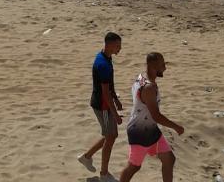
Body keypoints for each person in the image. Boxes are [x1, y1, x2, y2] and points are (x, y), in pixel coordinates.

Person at [117, 52, 184, 182]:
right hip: (139, 132)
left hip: (151, 130)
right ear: (154, 65)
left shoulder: (141, 77)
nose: (165, 67)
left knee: (169, 159)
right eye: (162, 64)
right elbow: (156, 116)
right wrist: (176, 127)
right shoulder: (148, 87)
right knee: (134, 166)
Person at [79, 32, 123, 178]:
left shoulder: (106, 57)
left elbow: (109, 83)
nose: (120, 48)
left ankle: (86, 157)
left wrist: (116, 98)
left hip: (105, 103)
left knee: (110, 135)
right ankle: (104, 173)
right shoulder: (102, 64)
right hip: (102, 106)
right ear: (109, 44)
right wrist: (115, 114)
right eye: (117, 46)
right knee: (110, 136)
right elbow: (105, 92)